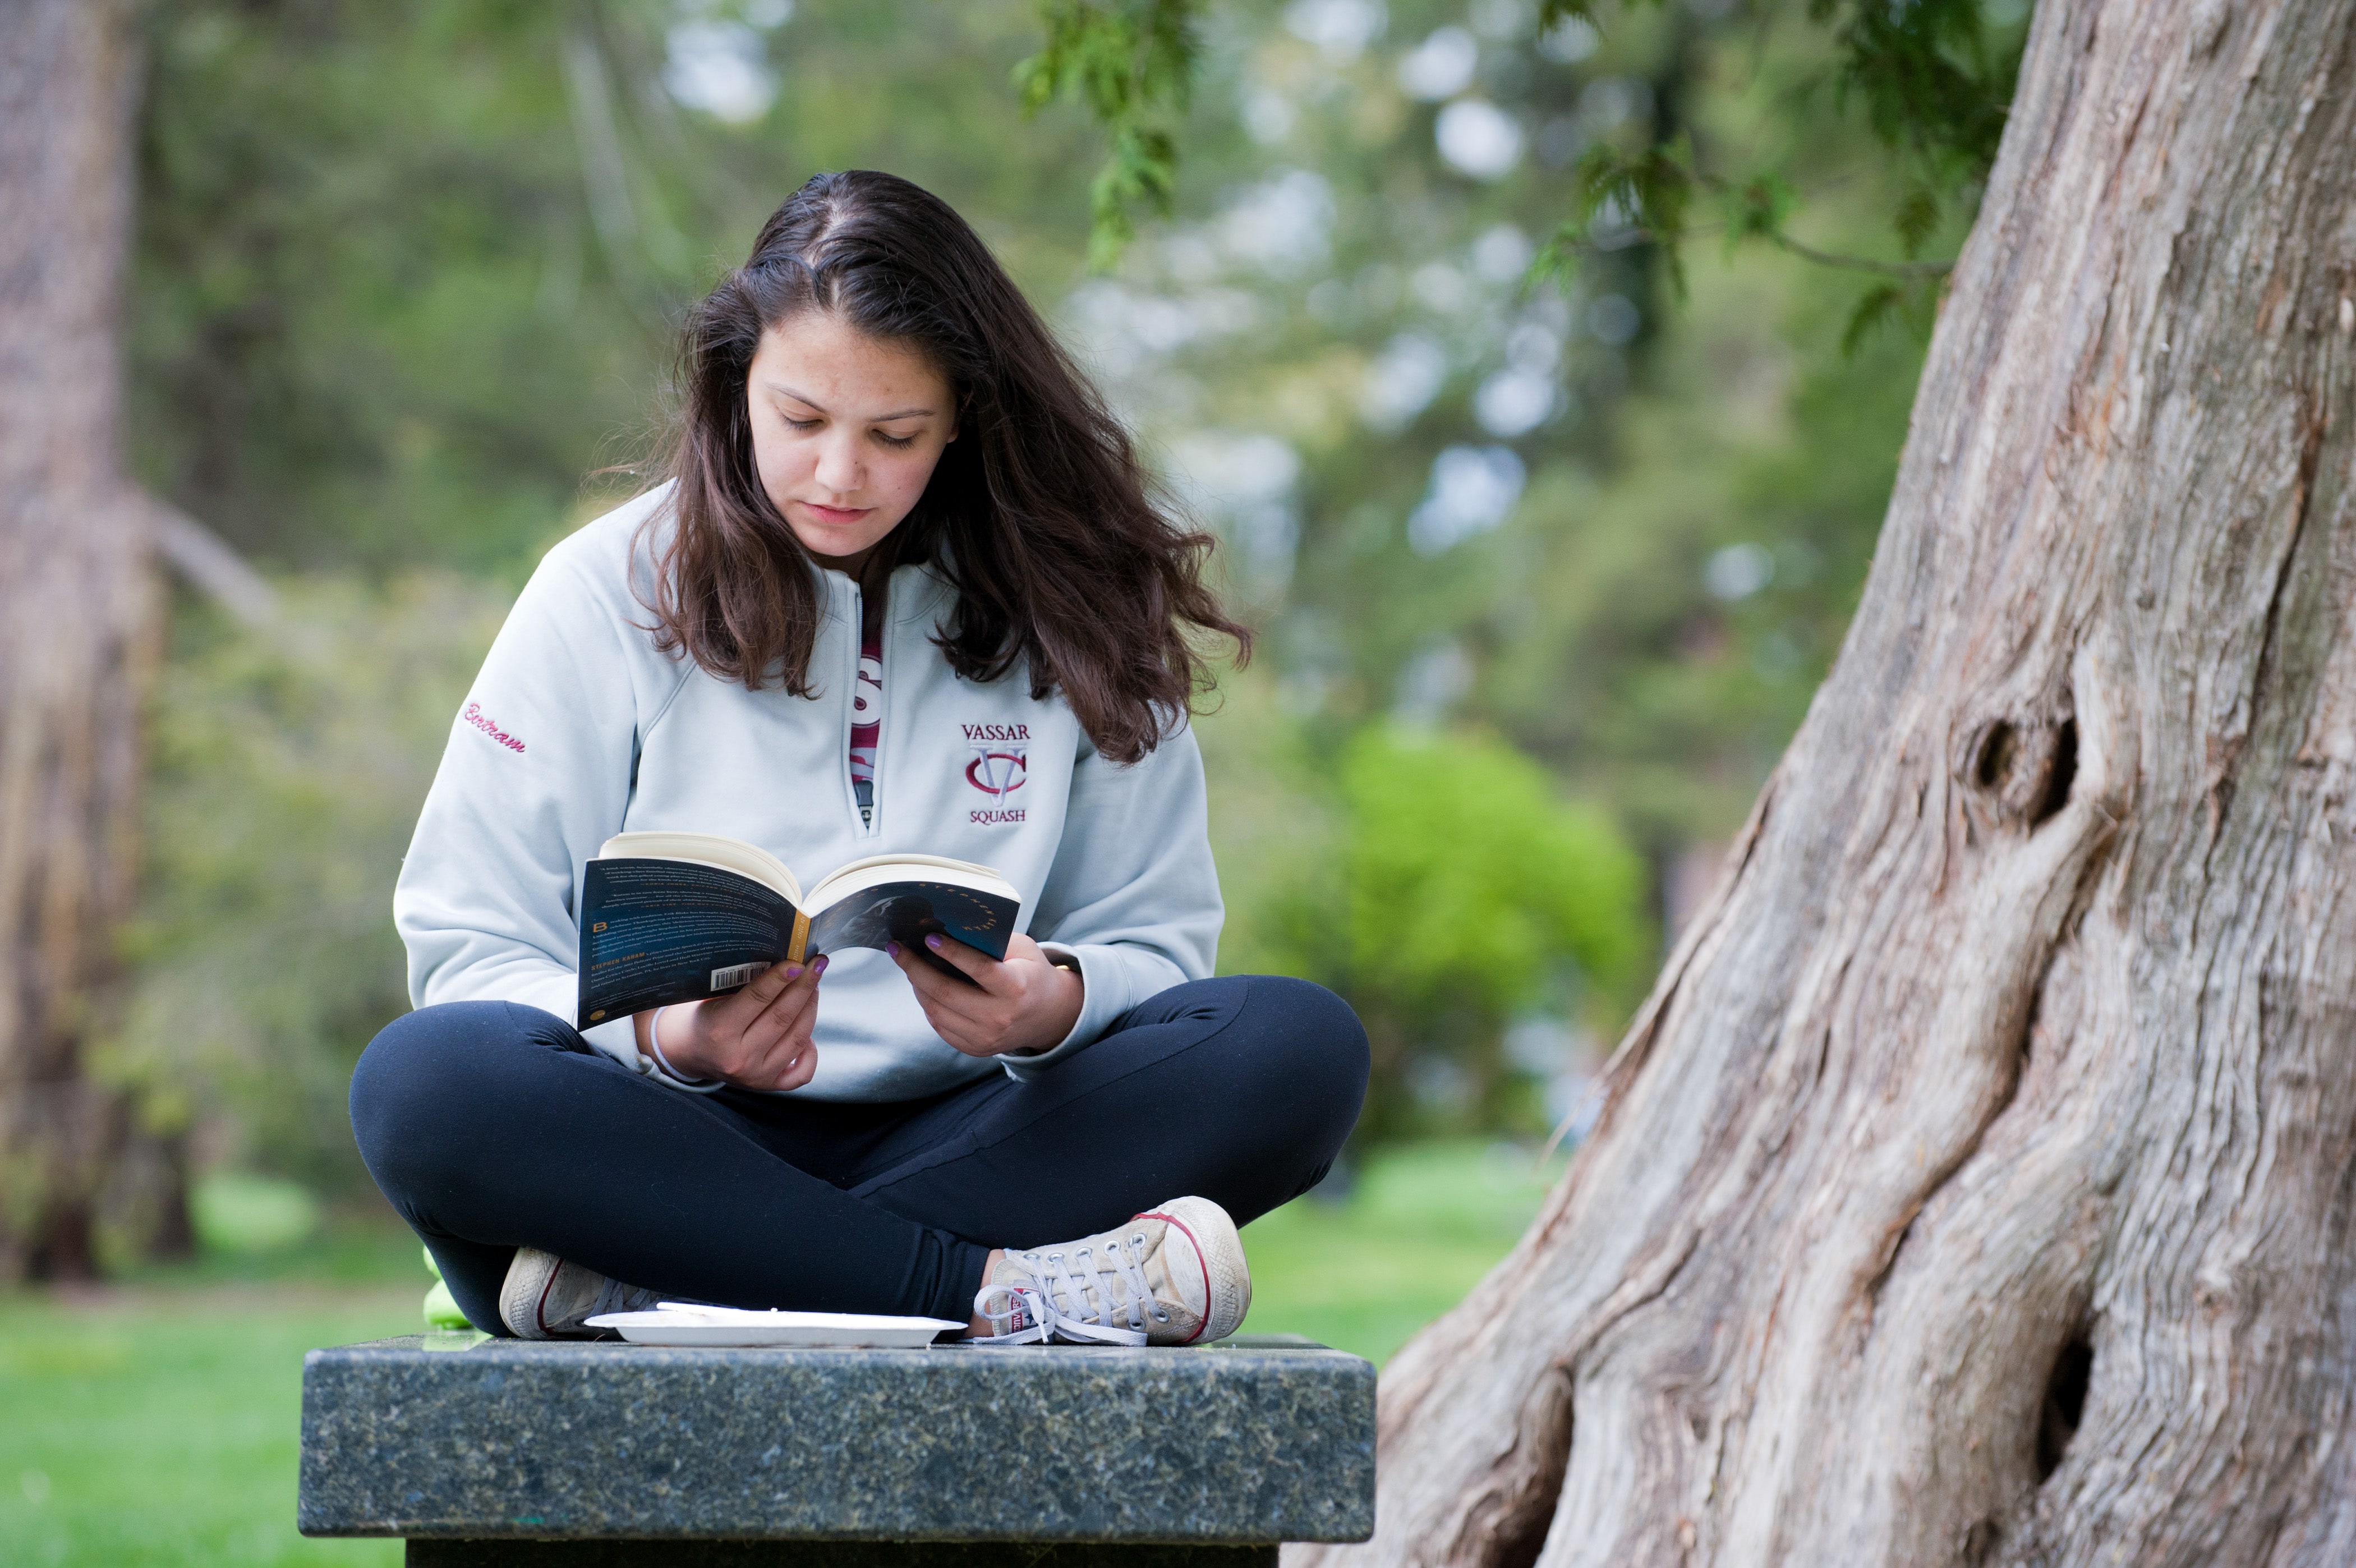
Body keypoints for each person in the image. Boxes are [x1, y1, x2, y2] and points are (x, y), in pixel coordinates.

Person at [349, 169, 1370, 1345]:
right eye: (799, 420)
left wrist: (1052, 1006)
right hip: (670, 1131)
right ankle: (994, 1292)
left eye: (894, 436)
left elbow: (1159, 944)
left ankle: (678, 1274)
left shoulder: (1079, 611)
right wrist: (669, 1039)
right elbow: (470, 941)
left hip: (978, 1131)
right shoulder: (601, 589)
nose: (839, 476)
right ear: (736, 386)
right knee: (425, 1087)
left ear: (963, 420)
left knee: (1296, 1053)